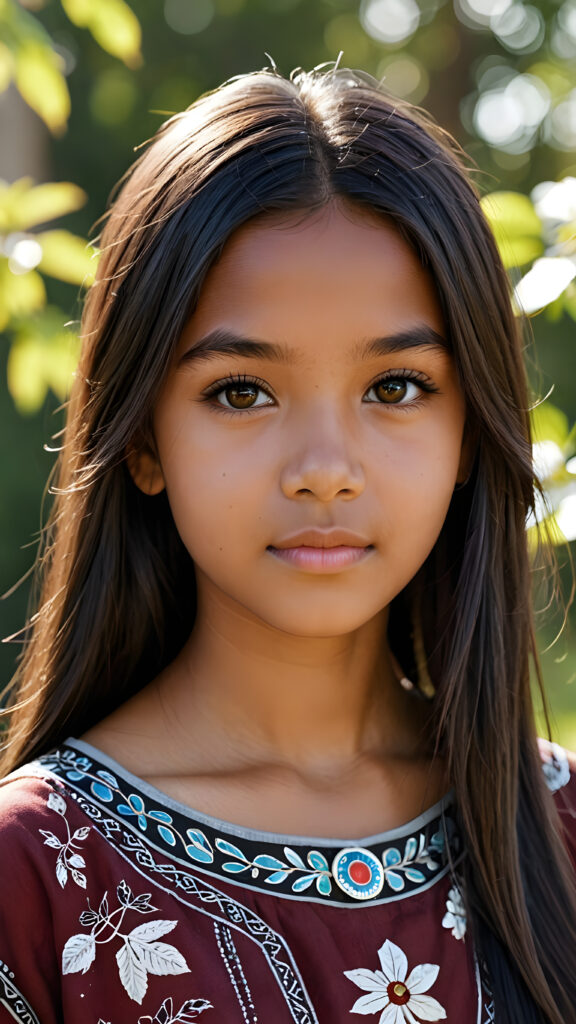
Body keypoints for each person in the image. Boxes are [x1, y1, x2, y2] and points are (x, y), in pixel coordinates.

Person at [0, 64, 575, 1024]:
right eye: (242, 392)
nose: (324, 468)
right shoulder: (34, 879)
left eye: (396, 387)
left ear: (471, 430)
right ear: (143, 439)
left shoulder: (561, 831)